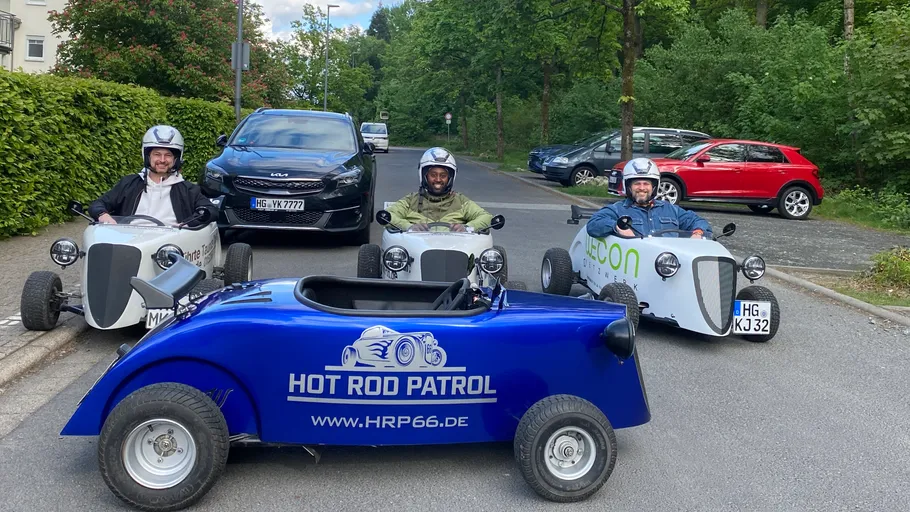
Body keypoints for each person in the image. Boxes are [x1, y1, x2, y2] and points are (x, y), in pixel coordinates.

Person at [88, 125, 217, 226]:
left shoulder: (188, 190)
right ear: (147, 157)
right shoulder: (129, 183)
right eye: (157, 154)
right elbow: (97, 204)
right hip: (130, 240)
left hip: (171, 245)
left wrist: (189, 223)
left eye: (168, 155)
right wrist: (103, 214)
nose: (162, 160)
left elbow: (210, 210)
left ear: (176, 159)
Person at [587, 157, 712, 239]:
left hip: (668, 267)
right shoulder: (618, 210)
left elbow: (699, 221)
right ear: (628, 186)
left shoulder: (672, 210)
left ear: (654, 187)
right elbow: (594, 224)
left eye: (646, 184)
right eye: (637, 184)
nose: (642, 188)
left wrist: (698, 232)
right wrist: (617, 226)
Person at [385, 147, 493, 232]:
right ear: (424, 176)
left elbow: (486, 217)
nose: (438, 179)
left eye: (443, 175)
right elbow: (387, 216)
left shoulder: (461, 201)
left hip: (455, 252)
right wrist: (409, 227)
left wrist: (467, 227)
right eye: (433, 174)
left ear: (450, 178)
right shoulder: (410, 200)